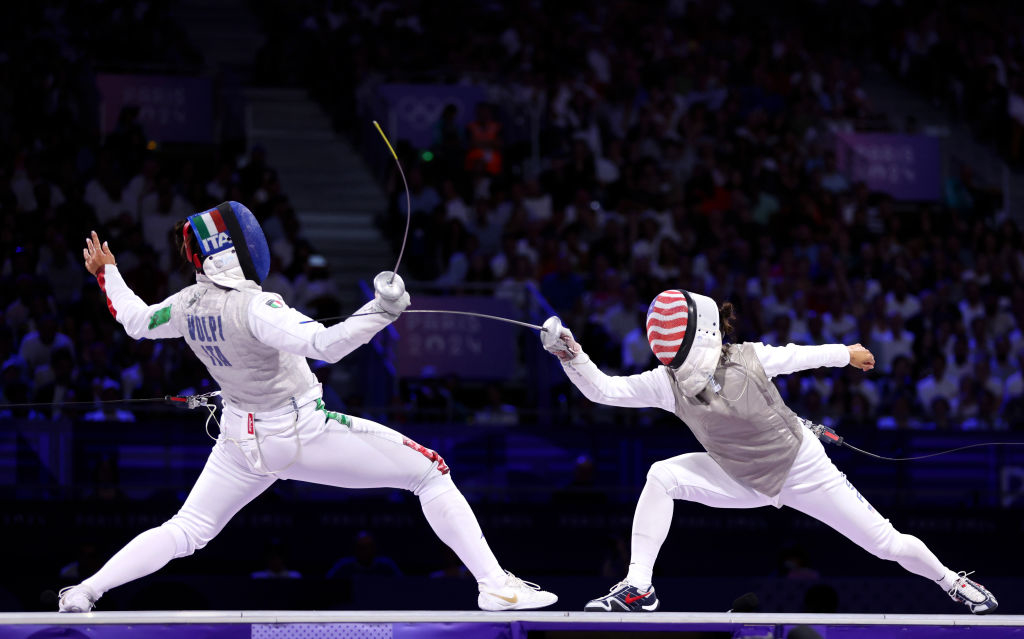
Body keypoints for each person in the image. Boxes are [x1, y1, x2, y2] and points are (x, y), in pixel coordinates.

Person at [58, 201, 556, 613]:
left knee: (186, 530)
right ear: (238, 250)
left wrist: (109, 273)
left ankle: (85, 591)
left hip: (239, 441)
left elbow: (136, 320)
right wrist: (381, 311)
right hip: (299, 434)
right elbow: (324, 344)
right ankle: (494, 584)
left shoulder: (186, 304)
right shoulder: (257, 306)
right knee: (430, 472)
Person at [540, 288, 997, 614]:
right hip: (740, 479)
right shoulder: (667, 383)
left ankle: (951, 581)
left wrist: (846, 352)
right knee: (661, 475)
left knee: (885, 544)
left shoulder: (748, 358)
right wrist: (572, 355)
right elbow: (603, 390)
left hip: (803, 470)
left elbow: (799, 355)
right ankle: (639, 587)